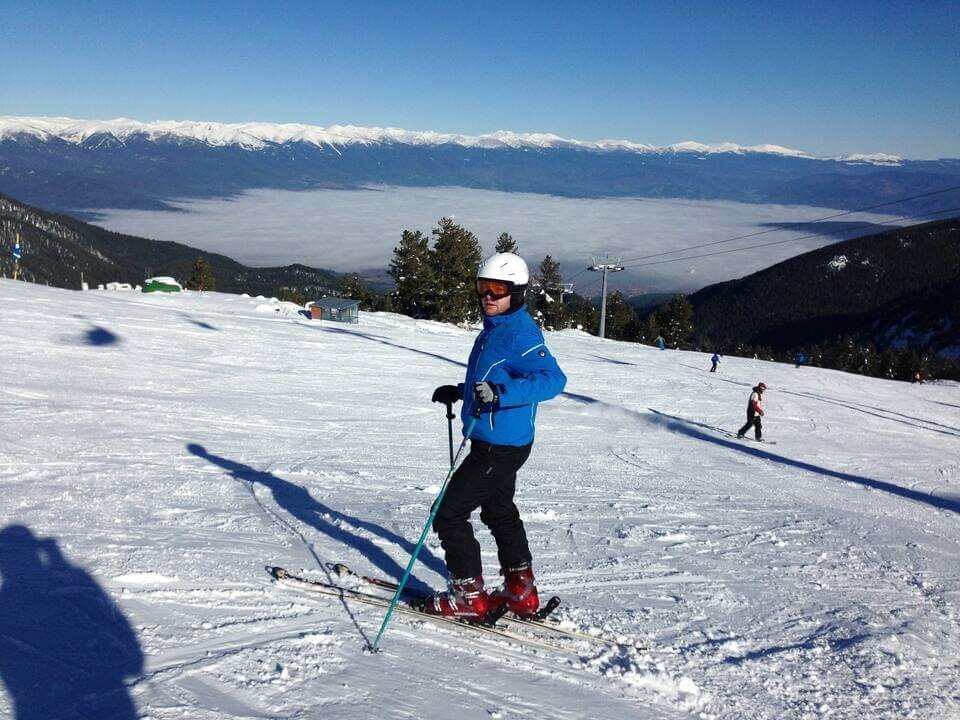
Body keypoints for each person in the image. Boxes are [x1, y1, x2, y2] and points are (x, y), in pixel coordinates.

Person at [425, 252, 567, 620]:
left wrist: (502, 396)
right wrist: (463, 390)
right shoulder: (497, 328)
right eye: (483, 288)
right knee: (499, 509)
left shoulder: (519, 333)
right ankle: (521, 589)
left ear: (517, 293)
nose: (489, 296)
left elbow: (554, 379)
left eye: (498, 290)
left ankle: (468, 595)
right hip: (499, 440)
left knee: (448, 513)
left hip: (498, 447)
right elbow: (495, 376)